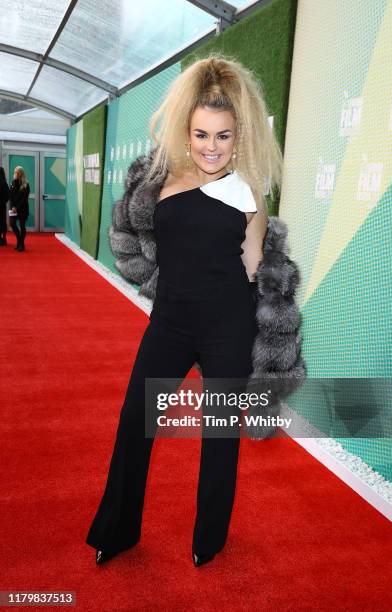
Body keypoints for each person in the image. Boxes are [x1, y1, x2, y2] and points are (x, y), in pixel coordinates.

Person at [85, 55, 306, 568]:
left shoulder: (248, 193)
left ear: (238, 136)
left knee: (220, 435)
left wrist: (265, 347)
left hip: (228, 327)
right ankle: (115, 532)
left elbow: (255, 267)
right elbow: (136, 246)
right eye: (202, 134)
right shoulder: (160, 181)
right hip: (170, 323)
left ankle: (208, 540)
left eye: (223, 136)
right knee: (134, 421)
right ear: (187, 130)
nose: (211, 146)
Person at [9, 166, 30, 252]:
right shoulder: (13, 183)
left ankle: (21, 244)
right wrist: (13, 207)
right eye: (15, 172)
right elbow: (11, 196)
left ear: (21, 173)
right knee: (12, 224)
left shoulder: (26, 184)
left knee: (22, 226)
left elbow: (24, 198)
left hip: (23, 208)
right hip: (13, 208)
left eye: (17, 172)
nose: (16, 173)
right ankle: (19, 241)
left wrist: (16, 207)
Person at [0, 167, 9, 246]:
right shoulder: (4, 182)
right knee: (3, 222)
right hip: (2, 206)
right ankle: (4, 238)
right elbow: (7, 195)